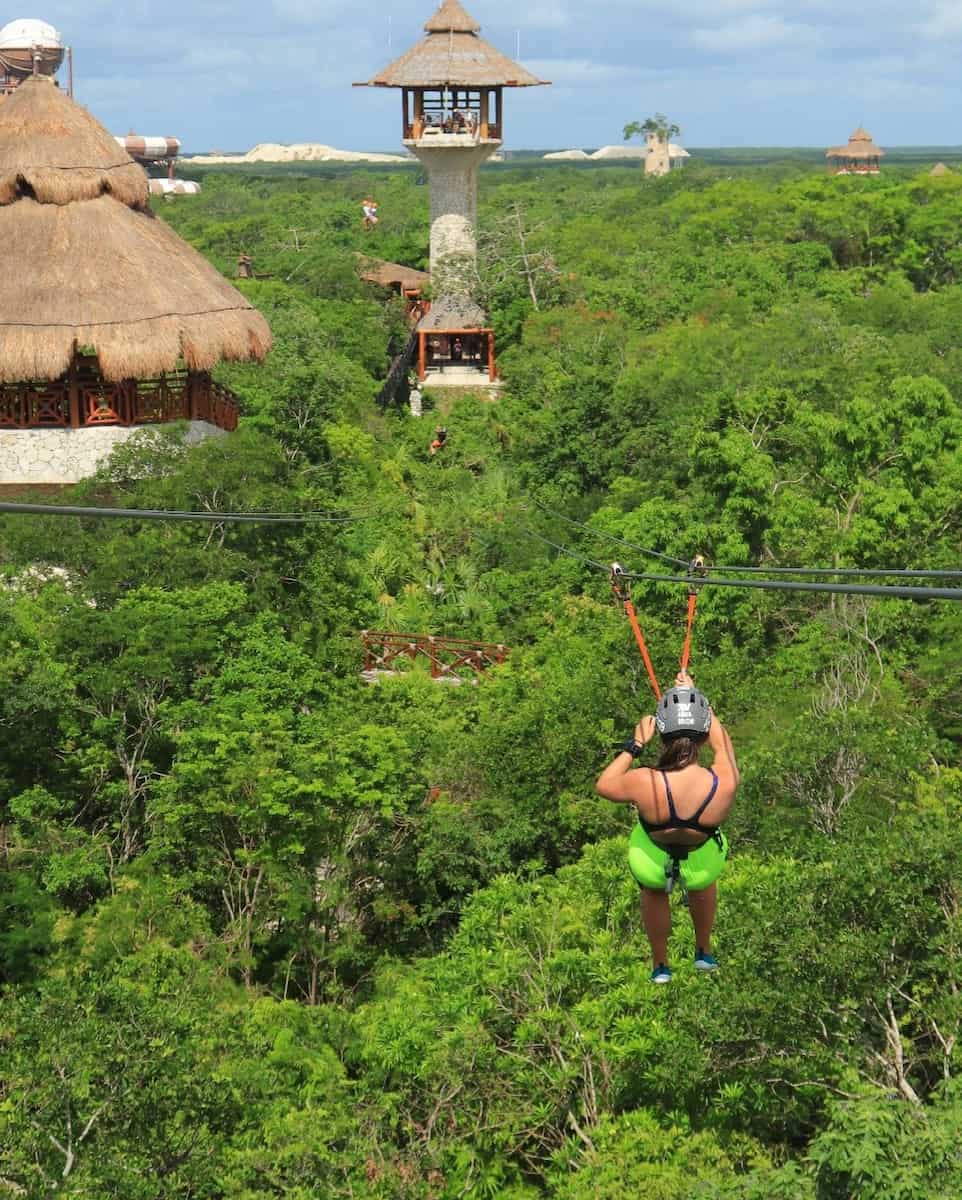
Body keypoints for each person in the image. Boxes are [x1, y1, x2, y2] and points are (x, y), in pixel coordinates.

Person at [596, 671, 739, 984]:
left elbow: (604, 784)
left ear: (661, 735)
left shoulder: (644, 780)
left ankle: (660, 963)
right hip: (702, 865)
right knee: (703, 881)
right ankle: (703, 950)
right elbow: (723, 747)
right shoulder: (725, 781)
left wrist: (635, 744)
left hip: (652, 862)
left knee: (653, 890)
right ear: (703, 733)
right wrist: (698, 700)